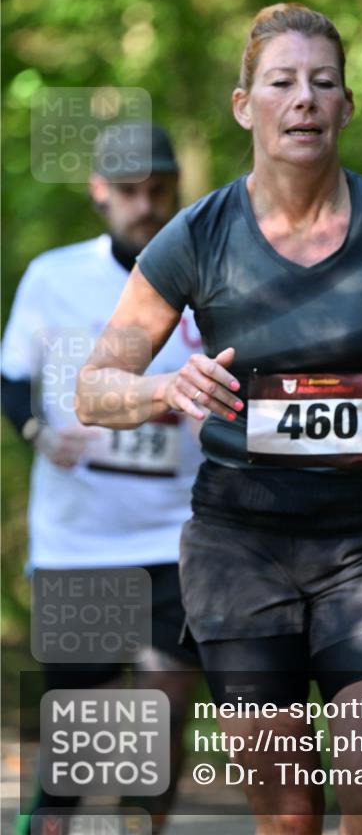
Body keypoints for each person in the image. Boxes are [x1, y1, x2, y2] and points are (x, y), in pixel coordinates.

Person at [76, 5, 362, 835]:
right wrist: (164, 389)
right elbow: (94, 389)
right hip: (239, 549)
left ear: (346, 106)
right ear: (244, 105)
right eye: (282, 83)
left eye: (322, 83)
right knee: (289, 815)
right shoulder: (197, 236)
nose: (304, 99)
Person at [1, 122, 203, 834]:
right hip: (81, 539)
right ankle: (48, 819)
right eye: (127, 191)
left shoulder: (204, 276)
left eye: (158, 190)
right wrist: (41, 433)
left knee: (163, 710)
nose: (143, 205)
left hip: (177, 533)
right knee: (83, 732)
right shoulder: (54, 277)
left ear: (176, 191)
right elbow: (12, 380)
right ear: (98, 192)